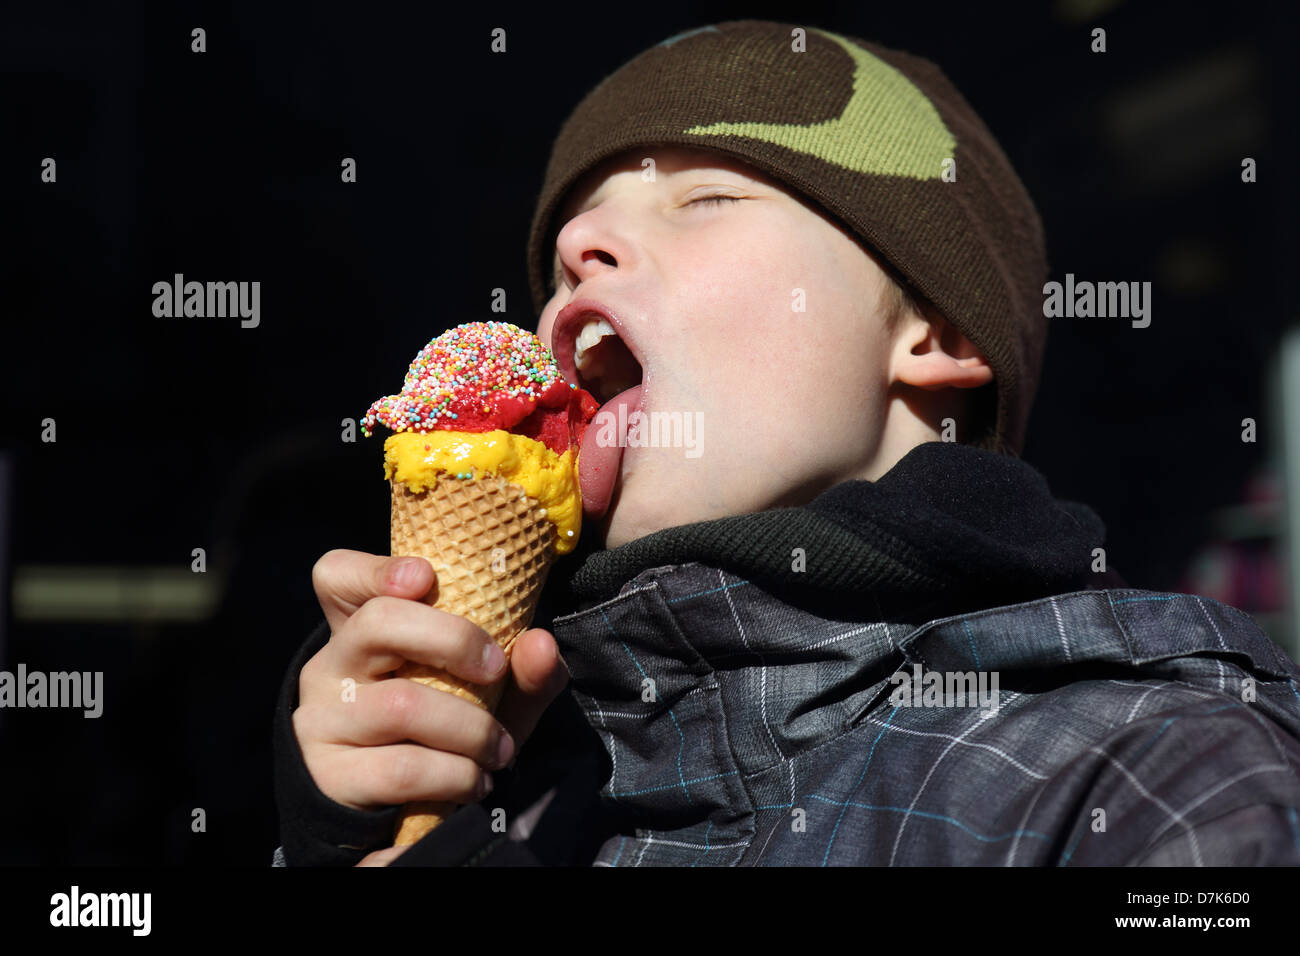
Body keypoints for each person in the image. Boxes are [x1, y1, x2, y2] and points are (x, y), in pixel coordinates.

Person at [273, 20, 1300, 866]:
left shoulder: (1151, 777)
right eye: (563, 251)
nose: (577, 253)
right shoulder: (540, 800)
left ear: (934, 333)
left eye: (706, 198)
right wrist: (356, 838)